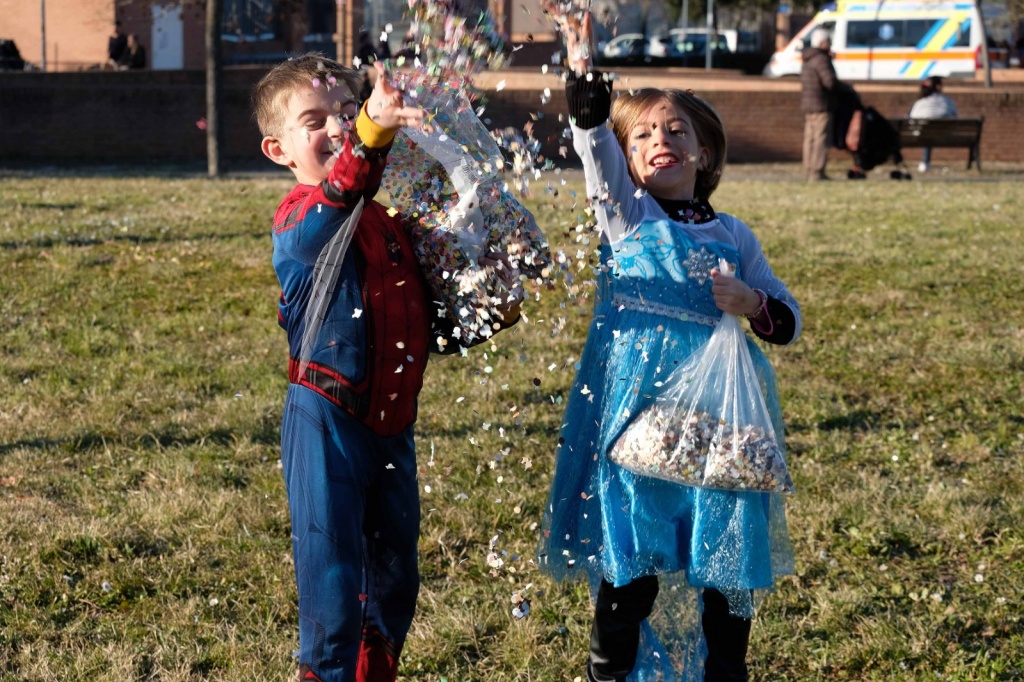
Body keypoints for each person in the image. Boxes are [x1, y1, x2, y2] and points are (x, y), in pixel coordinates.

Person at [541, 13, 801, 682]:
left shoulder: (734, 234)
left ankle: (726, 669)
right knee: (633, 560)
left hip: (723, 417)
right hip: (638, 408)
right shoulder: (627, 216)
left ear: (704, 153)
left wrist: (753, 304)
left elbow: (788, 317)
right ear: (628, 164)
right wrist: (584, 70)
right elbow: (592, 141)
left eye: (677, 130)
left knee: (726, 558)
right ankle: (611, 667)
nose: (662, 140)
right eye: (646, 134)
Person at [252, 53, 521, 682]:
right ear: (279, 149)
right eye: (314, 120)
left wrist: (491, 303)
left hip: (392, 426)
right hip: (327, 421)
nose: (339, 128)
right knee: (333, 583)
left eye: (347, 113)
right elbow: (343, 188)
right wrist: (373, 127)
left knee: (394, 581)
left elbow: (421, 325)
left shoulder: (394, 227)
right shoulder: (299, 220)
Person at [800, 27, 838, 181]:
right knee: (820, 138)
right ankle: (817, 171)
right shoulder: (821, 59)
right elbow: (830, 82)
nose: (830, 44)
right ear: (822, 43)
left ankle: (808, 168)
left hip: (808, 104)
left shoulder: (807, 59)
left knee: (809, 138)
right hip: (821, 104)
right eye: (828, 41)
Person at [908, 75, 957, 173]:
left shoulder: (920, 102)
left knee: (927, 131)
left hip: (922, 135)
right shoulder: (948, 101)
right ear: (939, 87)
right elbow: (955, 116)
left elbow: (912, 118)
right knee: (931, 130)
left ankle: (925, 163)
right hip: (945, 134)